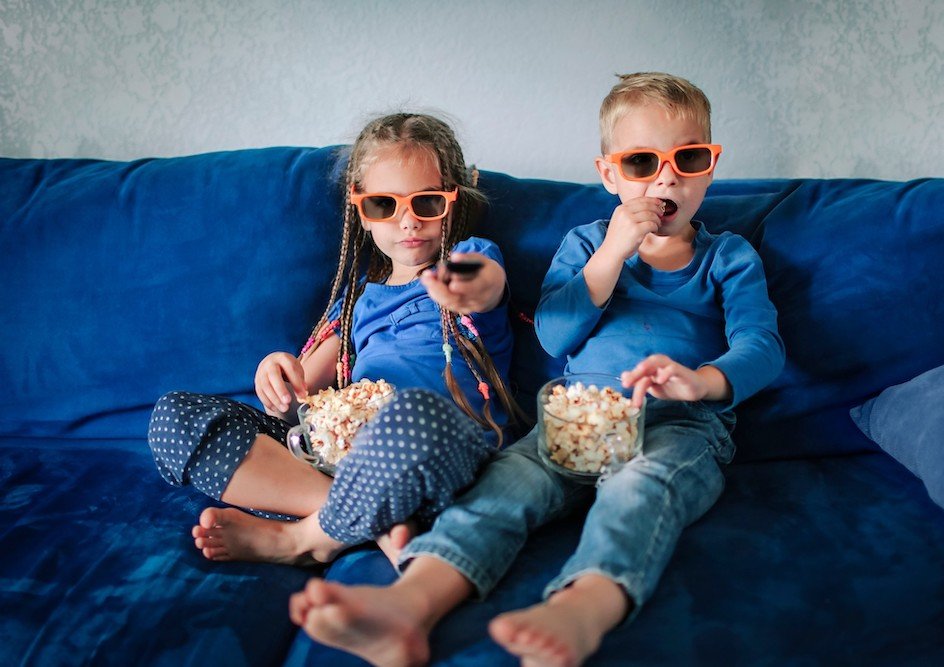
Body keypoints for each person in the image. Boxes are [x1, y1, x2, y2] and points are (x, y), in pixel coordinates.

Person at [287, 73, 786, 667]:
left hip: (680, 423)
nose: (666, 177)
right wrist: (613, 253)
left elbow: (763, 345)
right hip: (573, 414)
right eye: (642, 163)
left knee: (640, 491)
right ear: (608, 175)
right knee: (502, 490)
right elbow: (554, 330)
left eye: (689, 158)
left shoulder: (727, 256)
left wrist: (704, 382)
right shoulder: (585, 244)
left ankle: (584, 607)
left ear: (709, 168)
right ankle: (408, 608)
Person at [147, 112, 524, 568]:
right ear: (361, 210)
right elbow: (300, 399)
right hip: (340, 463)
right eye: (385, 205)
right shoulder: (354, 303)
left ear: (453, 201)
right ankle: (365, 519)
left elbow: (488, 281)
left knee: (410, 413)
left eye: (426, 203)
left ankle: (304, 538)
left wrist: (462, 284)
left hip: (438, 453)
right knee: (174, 418)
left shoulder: (473, 258)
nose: (408, 222)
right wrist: (277, 374)